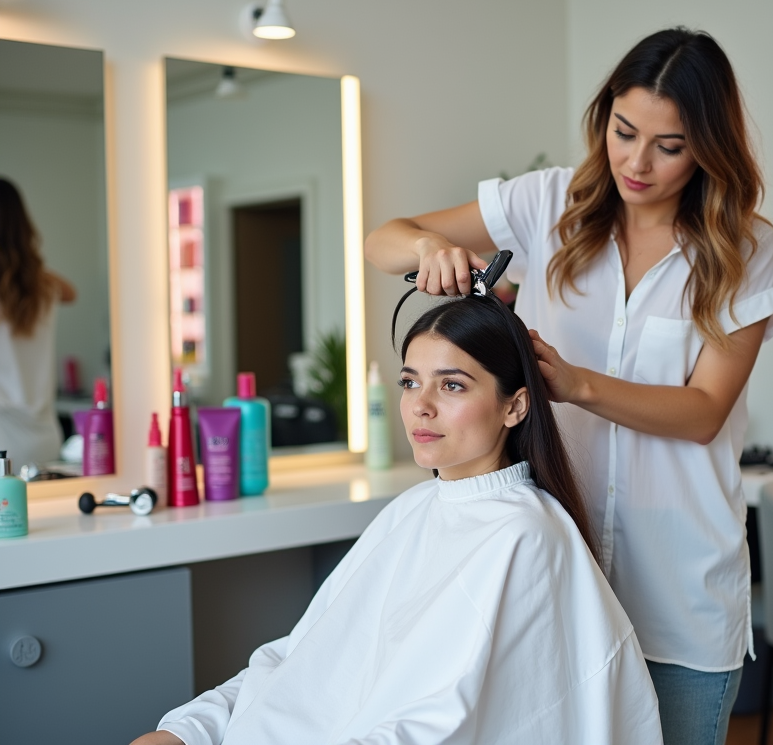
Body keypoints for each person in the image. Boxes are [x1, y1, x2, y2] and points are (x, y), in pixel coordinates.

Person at [365, 27, 773, 745]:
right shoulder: (548, 204)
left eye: (669, 146)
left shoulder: (744, 249)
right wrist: (425, 248)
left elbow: (703, 413)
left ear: (707, 148)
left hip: (679, 599)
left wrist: (575, 384)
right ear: (605, 114)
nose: (637, 162)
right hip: (551, 582)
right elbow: (384, 237)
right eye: (623, 130)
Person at [133, 293, 664, 745]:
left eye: (452, 385)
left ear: (515, 406)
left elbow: (439, 724)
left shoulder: (524, 536)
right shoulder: (412, 509)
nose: (420, 407)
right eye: (410, 382)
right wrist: (189, 729)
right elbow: (299, 661)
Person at [0, 177, 76, 468]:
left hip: (3, 441)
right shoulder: (44, 287)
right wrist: (28, 268)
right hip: (44, 439)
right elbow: (71, 292)